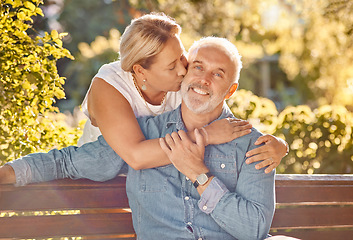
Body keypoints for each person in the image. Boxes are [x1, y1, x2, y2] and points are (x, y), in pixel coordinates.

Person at [1, 37, 276, 240]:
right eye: (198, 67)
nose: (204, 80)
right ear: (184, 73)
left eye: (218, 74)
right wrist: (6, 174)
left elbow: (253, 229)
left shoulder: (252, 145)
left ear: (230, 90)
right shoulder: (144, 135)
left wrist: (200, 175)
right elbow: (65, 163)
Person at [75, 12, 288, 173]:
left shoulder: (183, 80)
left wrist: (279, 146)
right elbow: (136, 156)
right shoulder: (109, 84)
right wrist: (207, 135)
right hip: (103, 182)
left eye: (182, 57)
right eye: (171, 66)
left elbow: (225, 121)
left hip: (156, 182)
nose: (182, 69)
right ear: (140, 71)